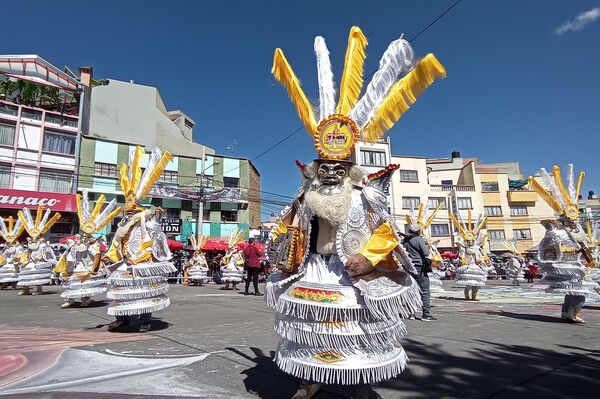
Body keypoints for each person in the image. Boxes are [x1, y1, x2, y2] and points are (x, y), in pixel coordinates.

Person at [266, 26, 445, 398]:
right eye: (324, 167)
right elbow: (289, 233)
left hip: (355, 271)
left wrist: (367, 257)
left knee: (357, 330)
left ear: (350, 168)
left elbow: (387, 234)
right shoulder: (305, 198)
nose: (330, 174)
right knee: (312, 328)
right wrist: (283, 250)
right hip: (315, 269)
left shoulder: (367, 196)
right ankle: (309, 380)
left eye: (338, 168)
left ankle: (359, 384)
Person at [104, 146, 177, 333]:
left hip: (142, 261)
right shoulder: (123, 225)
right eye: (126, 211)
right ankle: (122, 319)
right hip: (125, 262)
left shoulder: (148, 224)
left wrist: (157, 220)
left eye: (131, 211)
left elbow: (158, 241)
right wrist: (110, 255)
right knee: (123, 292)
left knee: (144, 292)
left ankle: (145, 320)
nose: (127, 213)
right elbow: (116, 242)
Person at [528, 164, 600, 323]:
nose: (573, 222)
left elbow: (584, 246)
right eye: (570, 219)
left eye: (575, 219)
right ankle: (571, 313)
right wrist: (551, 233)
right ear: (564, 219)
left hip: (578, 266)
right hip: (568, 267)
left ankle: (568, 313)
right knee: (578, 292)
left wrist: (588, 257)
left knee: (575, 291)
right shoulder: (557, 232)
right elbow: (549, 247)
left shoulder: (579, 231)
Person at [54, 190, 120, 308]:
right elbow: (71, 254)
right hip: (77, 266)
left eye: (87, 234)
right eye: (84, 233)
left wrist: (89, 245)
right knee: (72, 283)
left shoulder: (94, 244)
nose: (85, 235)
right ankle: (70, 300)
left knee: (85, 285)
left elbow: (96, 254)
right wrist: (74, 248)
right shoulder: (76, 242)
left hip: (87, 267)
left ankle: (86, 299)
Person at [16, 206, 60, 296]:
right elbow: (27, 253)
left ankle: (39, 290)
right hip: (30, 262)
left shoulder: (43, 245)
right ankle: (26, 290)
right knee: (25, 274)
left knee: (37, 276)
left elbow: (49, 255)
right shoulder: (30, 244)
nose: (33, 238)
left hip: (38, 263)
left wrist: (42, 257)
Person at [450, 211, 492, 301]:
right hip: (468, 266)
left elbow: (479, 257)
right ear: (466, 241)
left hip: (477, 266)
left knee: (477, 283)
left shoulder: (476, 248)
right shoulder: (464, 248)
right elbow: (461, 256)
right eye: (469, 241)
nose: (471, 242)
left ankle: (474, 296)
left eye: (472, 241)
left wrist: (484, 260)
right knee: (469, 283)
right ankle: (467, 295)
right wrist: (462, 258)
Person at [403, 225, 435, 321]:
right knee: (425, 291)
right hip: (419, 267)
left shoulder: (405, 241)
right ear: (418, 231)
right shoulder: (418, 239)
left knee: (412, 291)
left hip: (408, 267)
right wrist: (427, 245)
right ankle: (426, 314)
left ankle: (411, 313)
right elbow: (426, 253)